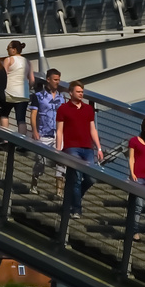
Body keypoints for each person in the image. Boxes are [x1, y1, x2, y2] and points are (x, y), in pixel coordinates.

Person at [56, 80, 103, 220]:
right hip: (72, 148)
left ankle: (71, 199)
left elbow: (92, 129)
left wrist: (99, 148)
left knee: (91, 178)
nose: (81, 94)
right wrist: (58, 150)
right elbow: (59, 131)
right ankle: (77, 208)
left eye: (82, 91)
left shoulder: (88, 109)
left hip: (87, 148)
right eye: (78, 91)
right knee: (76, 178)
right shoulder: (63, 108)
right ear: (70, 93)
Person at [28, 68, 65, 197]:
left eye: (58, 80)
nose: (57, 82)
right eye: (55, 80)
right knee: (40, 161)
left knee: (61, 162)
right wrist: (34, 130)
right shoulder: (38, 96)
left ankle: (59, 191)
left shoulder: (62, 97)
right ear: (48, 80)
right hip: (43, 132)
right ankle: (34, 184)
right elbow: (33, 114)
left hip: (58, 134)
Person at [0, 40, 34, 139]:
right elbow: (31, 80)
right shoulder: (27, 61)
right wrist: (29, 88)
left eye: (8, 48)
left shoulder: (9, 60)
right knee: (21, 119)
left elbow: (3, 75)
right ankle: (22, 141)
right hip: (23, 94)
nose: (7, 50)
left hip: (9, 92)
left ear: (14, 50)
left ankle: (4, 139)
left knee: (4, 115)